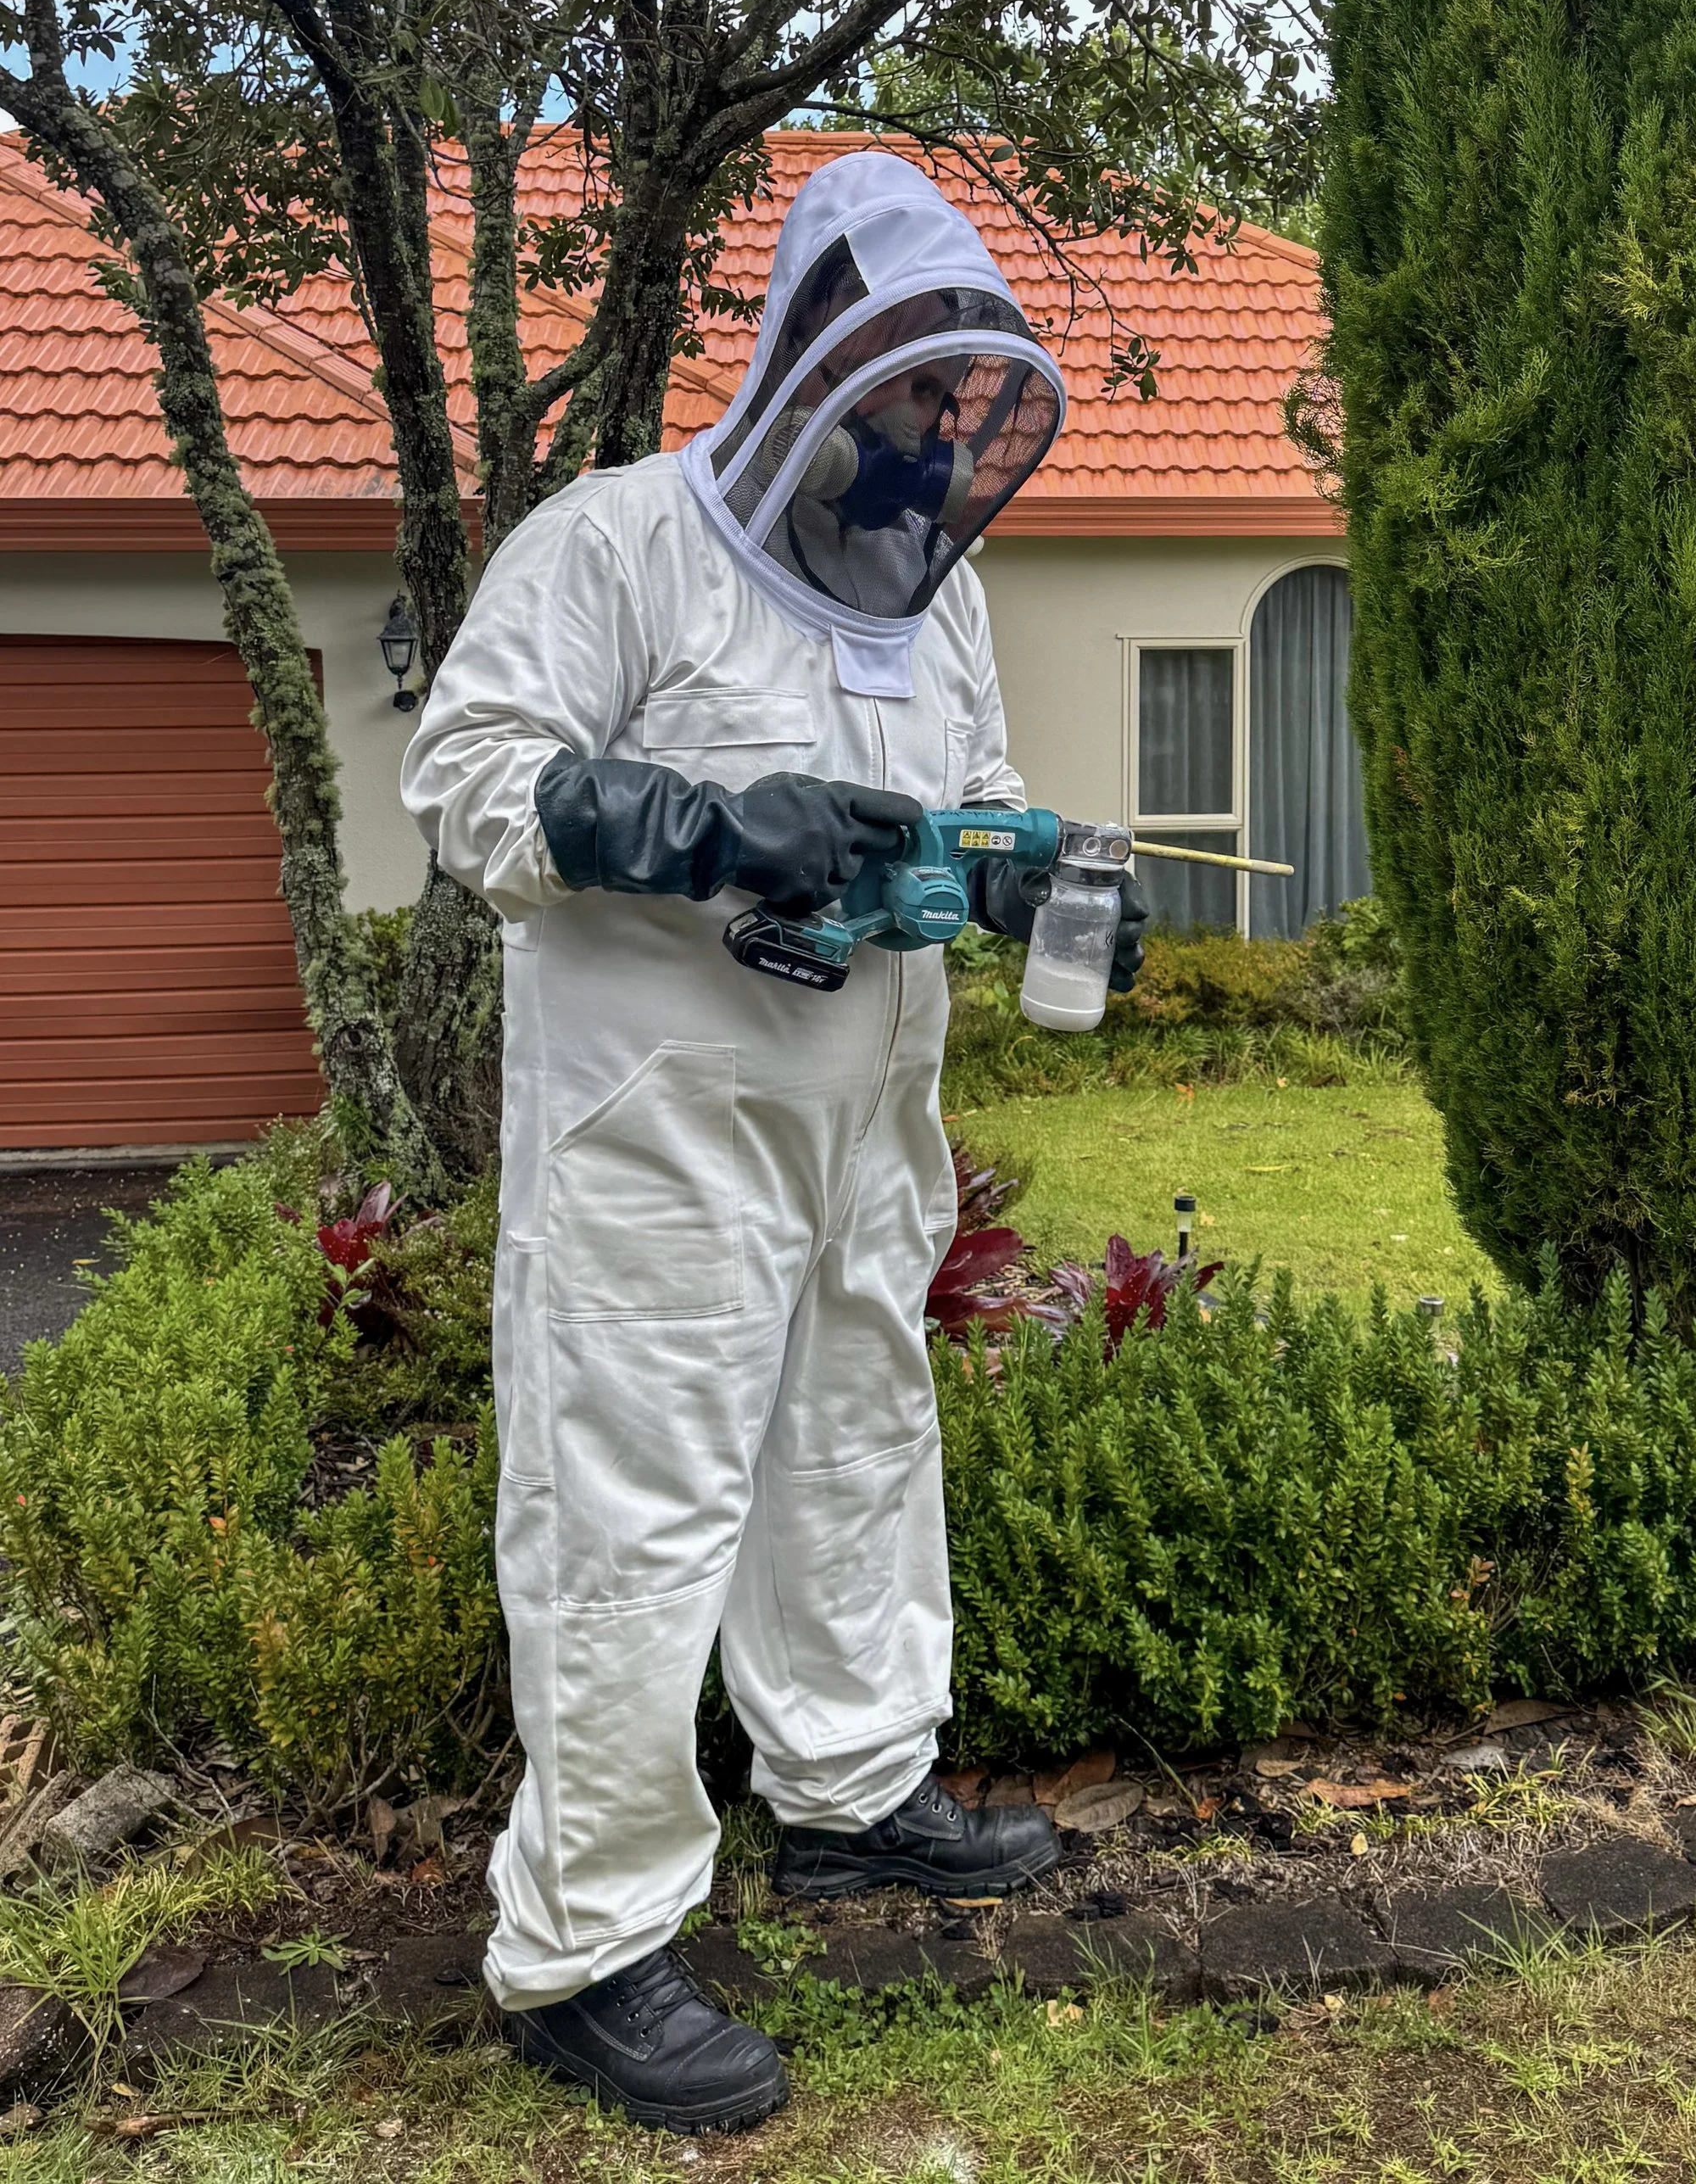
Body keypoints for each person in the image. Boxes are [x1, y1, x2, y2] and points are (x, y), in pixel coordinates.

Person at [401, 152, 1147, 2134]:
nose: (927, 438)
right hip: (657, 1152)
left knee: (851, 1448)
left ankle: (848, 1793)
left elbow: (971, 790)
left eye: (946, 407)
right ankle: (584, 1947)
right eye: (902, 396)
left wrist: (1030, 876)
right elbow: (470, 785)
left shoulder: (943, 593)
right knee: (626, 1523)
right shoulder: (614, 545)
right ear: (819, 359)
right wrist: (718, 831)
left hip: (858, 1131)